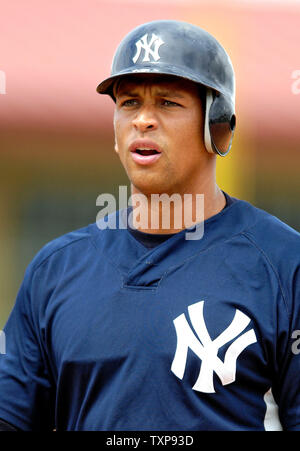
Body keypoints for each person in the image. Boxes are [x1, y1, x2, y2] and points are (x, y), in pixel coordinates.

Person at [0, 19, 299, 432]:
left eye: (167, 103)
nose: (143, 120)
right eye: (129, 103)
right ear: (116, 130)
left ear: (218, 125)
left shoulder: (284, 263)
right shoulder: (55, 270)